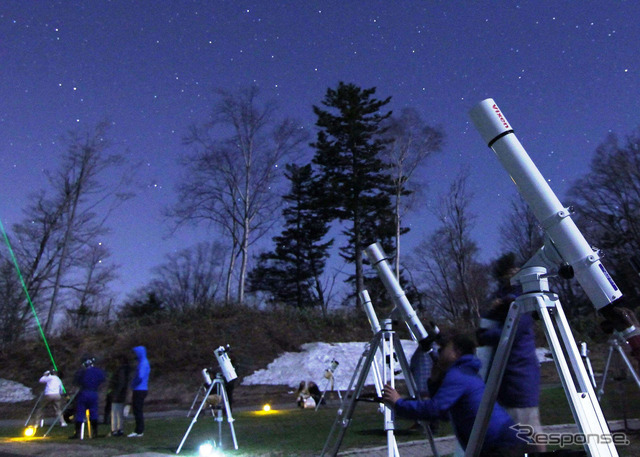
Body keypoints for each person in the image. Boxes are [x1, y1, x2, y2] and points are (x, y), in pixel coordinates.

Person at [382, 332, 527, 456]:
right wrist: (434, 381)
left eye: (444, 348)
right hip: (499, 441)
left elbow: (435, 409)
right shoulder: (465, 372)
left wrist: (399, 403)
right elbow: (446, 412)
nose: (439, 351)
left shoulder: (457, 374)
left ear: (456, 353)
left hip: (500, 443)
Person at [476, 254, 545, 451]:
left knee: (527, 430)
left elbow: (514, 328)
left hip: (518, 377)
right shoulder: (502, 297)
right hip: (503, 375)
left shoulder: (521, 298)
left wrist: (484, 335)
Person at [69, 356, 106, 439]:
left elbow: (76, 381)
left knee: (80, 413)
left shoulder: (82, 371)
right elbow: (103, 379)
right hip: (94, 393)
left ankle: (77, 433)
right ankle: (95, 433)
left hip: (84, 392)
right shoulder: (98, 371)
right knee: (94, 413)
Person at [128, 345, 150, 438]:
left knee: (138, 410)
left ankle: (139, 430)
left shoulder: (143, 363)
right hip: (141, 389)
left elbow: (140, 377)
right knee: (137, 410)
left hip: (140, 389)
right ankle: (138, 429)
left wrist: (133, 384)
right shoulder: (143, 362)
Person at [109, 354, 130, 437]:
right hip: (121, 394)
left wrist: (115, 393)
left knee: (115, 412)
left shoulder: (120, 370)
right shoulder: (126, 370)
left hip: (118, 394)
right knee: (119, 412)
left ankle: (115, 429)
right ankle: (119, 429)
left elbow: (120, 383)